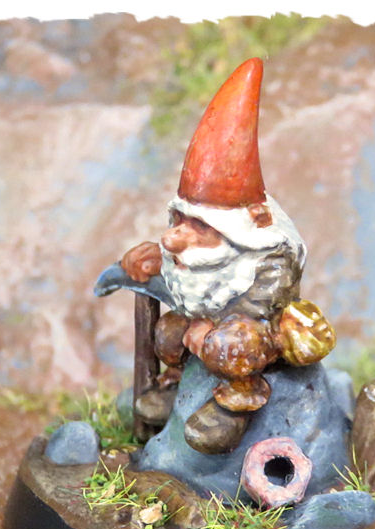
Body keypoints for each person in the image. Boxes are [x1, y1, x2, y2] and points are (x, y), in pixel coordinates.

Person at [95, 58, 334, 454]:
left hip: (253, 334)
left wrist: (208, 327)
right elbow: (186, 281)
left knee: (231, 346)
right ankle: (178, 384)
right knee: (167, 334)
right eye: (179, 220)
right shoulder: (203, 251)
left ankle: (237, 401)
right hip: (203, 324)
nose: (175, 238)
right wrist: (151, 260)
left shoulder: (270, 255)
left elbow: (260, 307)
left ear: (240, 229)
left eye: (199, 226)